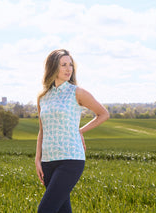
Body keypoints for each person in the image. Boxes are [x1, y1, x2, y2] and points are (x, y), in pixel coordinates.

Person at [35, 49, 109, 213]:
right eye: (63, 65)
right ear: (53, 67)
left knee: (45, 210)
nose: (69, 69)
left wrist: (80, 131)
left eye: (70, 65)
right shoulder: (43, 97)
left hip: (71, 159)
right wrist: (37, 159)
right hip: (48, 161)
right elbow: (42, 130)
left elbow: (103, 114)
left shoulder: (77, 92)